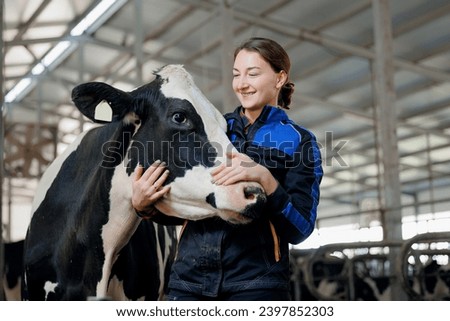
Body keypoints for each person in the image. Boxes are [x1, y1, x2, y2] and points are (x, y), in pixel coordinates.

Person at [132, 37, 323, 300]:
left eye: (252, 73)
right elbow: (189, 209)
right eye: (236, 74)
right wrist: (146, 207)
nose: (242, 84)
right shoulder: (209, 127)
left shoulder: (300, 141)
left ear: (279, 79)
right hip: (188, 282)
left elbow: (300, 229)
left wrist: (267, 180)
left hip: (256, 286)